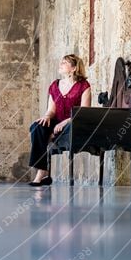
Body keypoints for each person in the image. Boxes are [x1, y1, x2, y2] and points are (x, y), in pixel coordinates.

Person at [27, 54, 91, 186]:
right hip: (56, 120)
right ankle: (43, 169)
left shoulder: (84, 86)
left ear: (73, 68)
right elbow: (52, 110)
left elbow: (84, 111)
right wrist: (47, 116)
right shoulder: (55, 86)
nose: (60, 65)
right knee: (37, 127)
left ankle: (41, 173)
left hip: (73, 122)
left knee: (64, 127)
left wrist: (65, 121)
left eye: (64, 63)